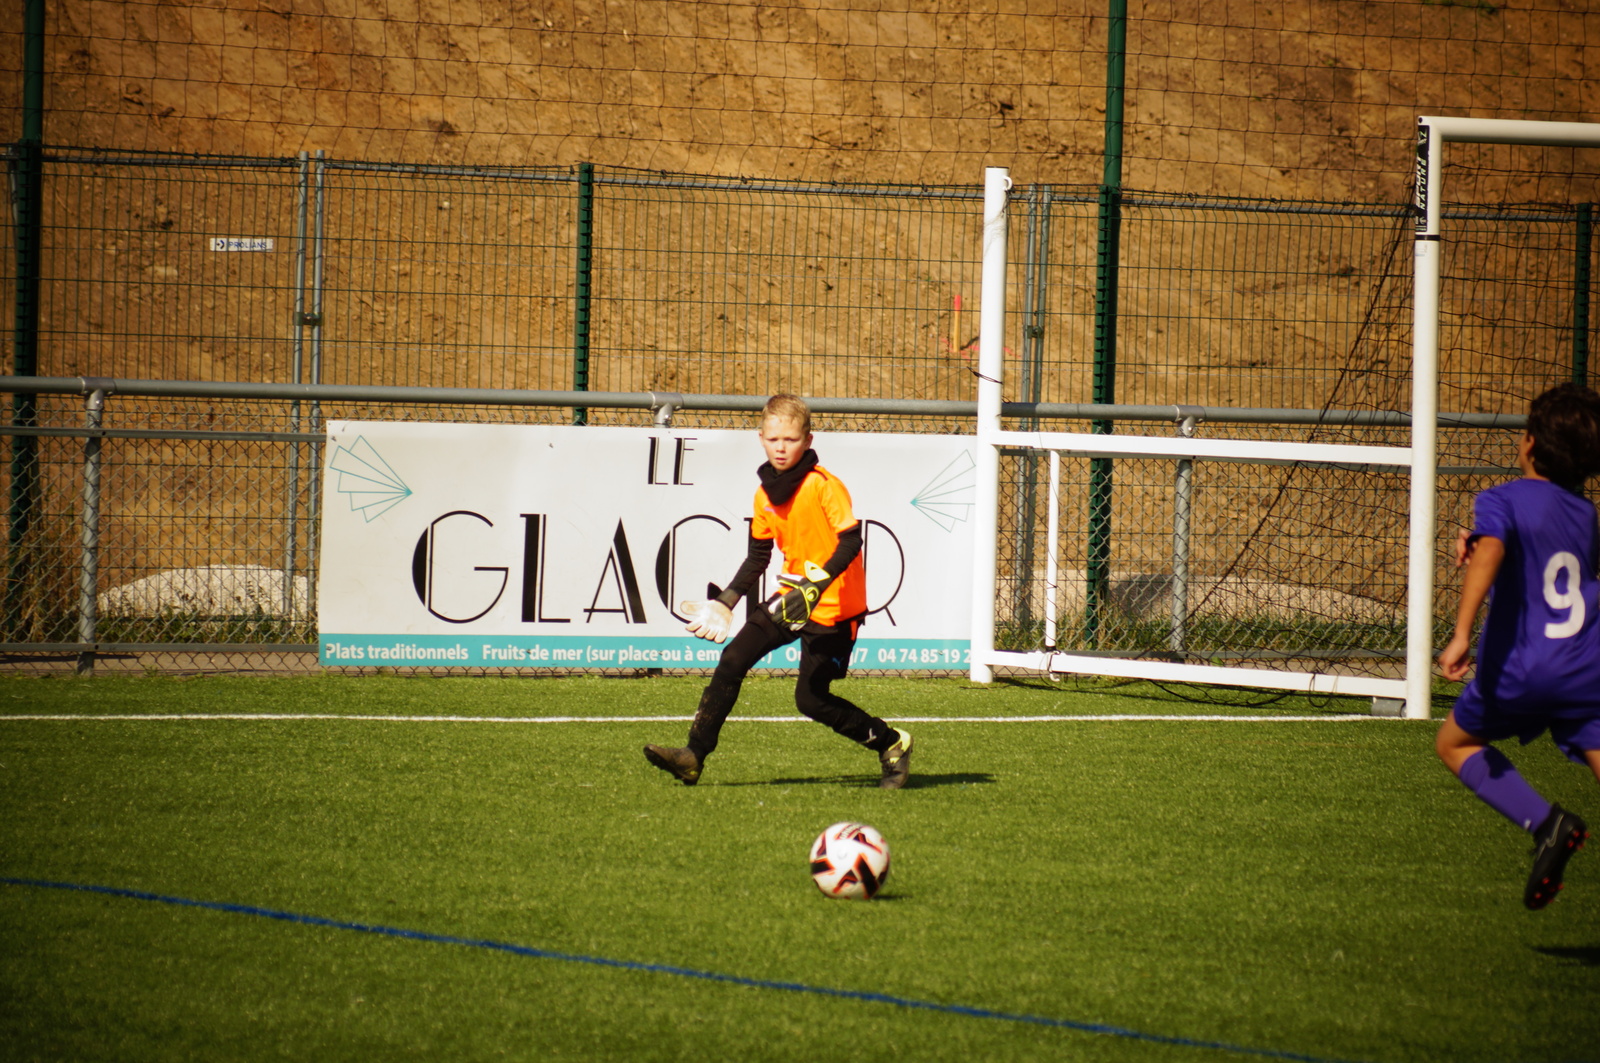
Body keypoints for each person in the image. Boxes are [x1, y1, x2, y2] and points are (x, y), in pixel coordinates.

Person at [644, 394, 913, 789]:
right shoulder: (764, 494)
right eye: (773, 439)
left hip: (836, 609)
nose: (781, 447)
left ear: (808, 440)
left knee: (811, 699)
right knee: (733, 658)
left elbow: (852, 540)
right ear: (761, 439)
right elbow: (758, 557)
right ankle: (693, 756)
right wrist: (727, 601)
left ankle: (891, 742)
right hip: (791, 600)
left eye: (790, 439)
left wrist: (818, 583)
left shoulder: (824, 486)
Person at [1436, 381, 1600, 909]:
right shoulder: (1586, 515)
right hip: (1586, 667)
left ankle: (1546, 824)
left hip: (1522, 666)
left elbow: (1496, 552)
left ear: (1529, 442)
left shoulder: (1500, 498)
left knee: (1454, 744)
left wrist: (1461, 634)